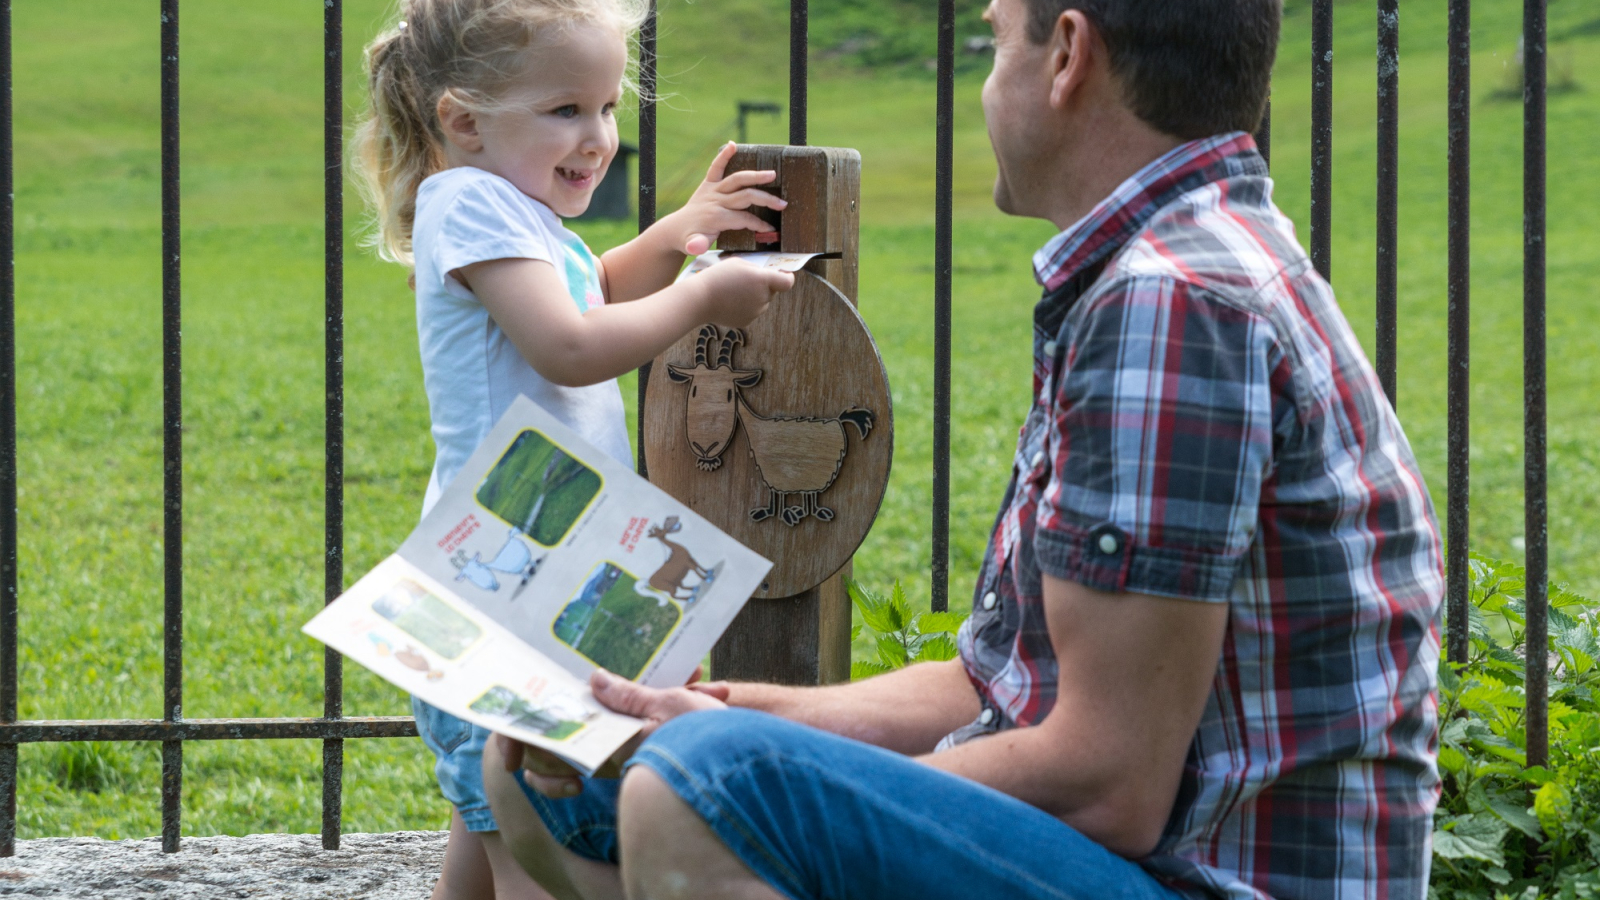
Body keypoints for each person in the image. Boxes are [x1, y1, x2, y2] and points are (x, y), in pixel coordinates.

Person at [484, 0, 1445, 898]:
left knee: (697, 787)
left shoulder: (1173, 302)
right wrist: (721, 709)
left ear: (1067, 56)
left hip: (1205, 878)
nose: (985, 84)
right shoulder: (1168, 269)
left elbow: (1110, 782)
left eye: (994, 45)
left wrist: (761, 764)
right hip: (1130, 859)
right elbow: (997, 691)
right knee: (555, 769)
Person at [352, 0, 795, 897]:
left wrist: (678, 235)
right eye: (565, 110)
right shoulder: (471, 203)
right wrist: (705, 302)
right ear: (464, 121)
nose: (597, 137)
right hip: (502, 596)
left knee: (488, 843)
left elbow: (593, 292)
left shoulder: (516, 212)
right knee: (540, 855)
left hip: (515, 575)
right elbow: (570, 343)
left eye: (606, 107)